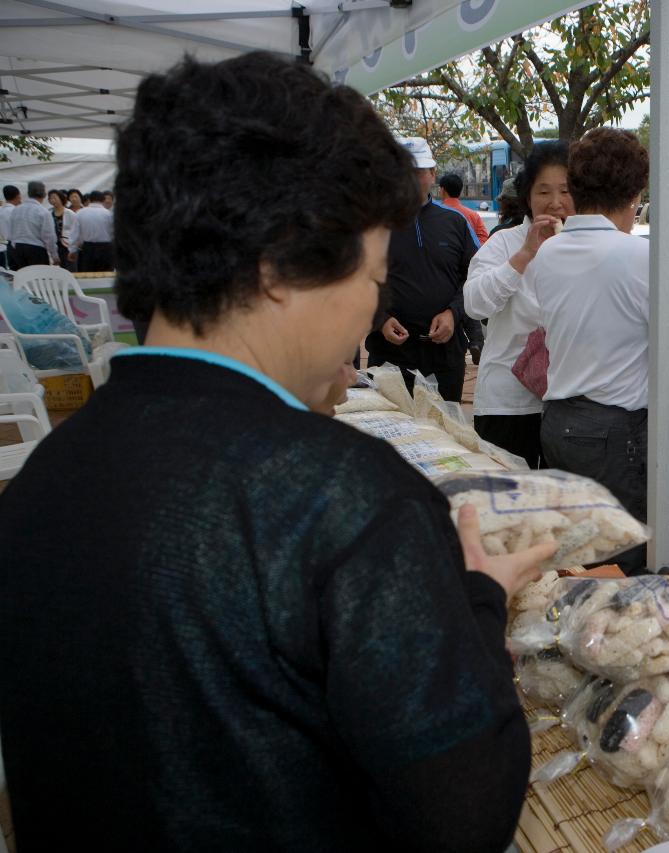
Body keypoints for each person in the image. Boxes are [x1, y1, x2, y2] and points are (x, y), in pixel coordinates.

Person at [0, 52, 555, 852]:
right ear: (280, 265)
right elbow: (465, 810)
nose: (369, 317)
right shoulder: (343, 497)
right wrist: (473, 605)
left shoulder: (43, 472)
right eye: (372, 281)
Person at [529, 128, 650, 574]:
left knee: (572, 555)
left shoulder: (550, 253)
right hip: (615, 430)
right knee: (619, 565)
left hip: (559, 419)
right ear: (634, 194)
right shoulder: (638, 256)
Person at [464, 141, 573, 469]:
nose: (555, 203)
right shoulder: (505, 242)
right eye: (543, 192)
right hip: (507, 407)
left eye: (565, 191)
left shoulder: (585, 248)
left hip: (566, 407)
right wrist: (524, 256)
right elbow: (474, 304)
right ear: (527, 197)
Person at [364, 137, 480, 402]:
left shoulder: (455, 222)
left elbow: (474, 278)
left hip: (444, 355)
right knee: (392, 437)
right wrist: (380, 319)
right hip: (389, 356)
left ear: (432, 174)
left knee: (447, 434)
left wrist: (453, 312)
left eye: (418, 172)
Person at [436, 172, 489, 365]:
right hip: (469, 266)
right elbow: (483, 239)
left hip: (447, 269)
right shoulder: (471, 215)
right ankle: (476, 341)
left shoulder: (440, 215)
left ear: (442, 190)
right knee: (466, 303)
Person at [6, 180, 59, 269]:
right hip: (36, 250)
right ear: (44, 194)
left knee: (23, 279)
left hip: (17, 248)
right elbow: (49, 236)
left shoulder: (16, 209)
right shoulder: (43, 212)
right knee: (39, 279)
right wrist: (55, 256)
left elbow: (11, 232)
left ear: (28, 193)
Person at [68, 189, 114, 272]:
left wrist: (72, 250)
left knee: (87, 276)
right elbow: (114, 233)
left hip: (87, 248)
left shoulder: (80, 213)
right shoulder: (108, 214)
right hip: (106, 249)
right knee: (105, 276)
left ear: (89, 199)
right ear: (103, 200)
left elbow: (74, 233)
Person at [438, 172, 490, 244]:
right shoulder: (473, 216)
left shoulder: (434, 214)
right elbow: (484, 240)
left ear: (443, 190)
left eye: (439, 189)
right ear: (460, 191)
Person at [47, 189, 76, 269]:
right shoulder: (48, 213)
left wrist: (74, 248)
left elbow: (75, 231)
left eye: (54, 198)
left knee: (69, 268)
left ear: (61, 198)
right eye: (50, 198)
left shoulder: (70, 213)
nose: (52, 200)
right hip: (54, 246)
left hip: (67, 246)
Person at [0, 184, 19, 268]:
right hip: (14, 246)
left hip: (5, 246)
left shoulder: (1, 210)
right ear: (17, 196)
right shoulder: (16, 211)